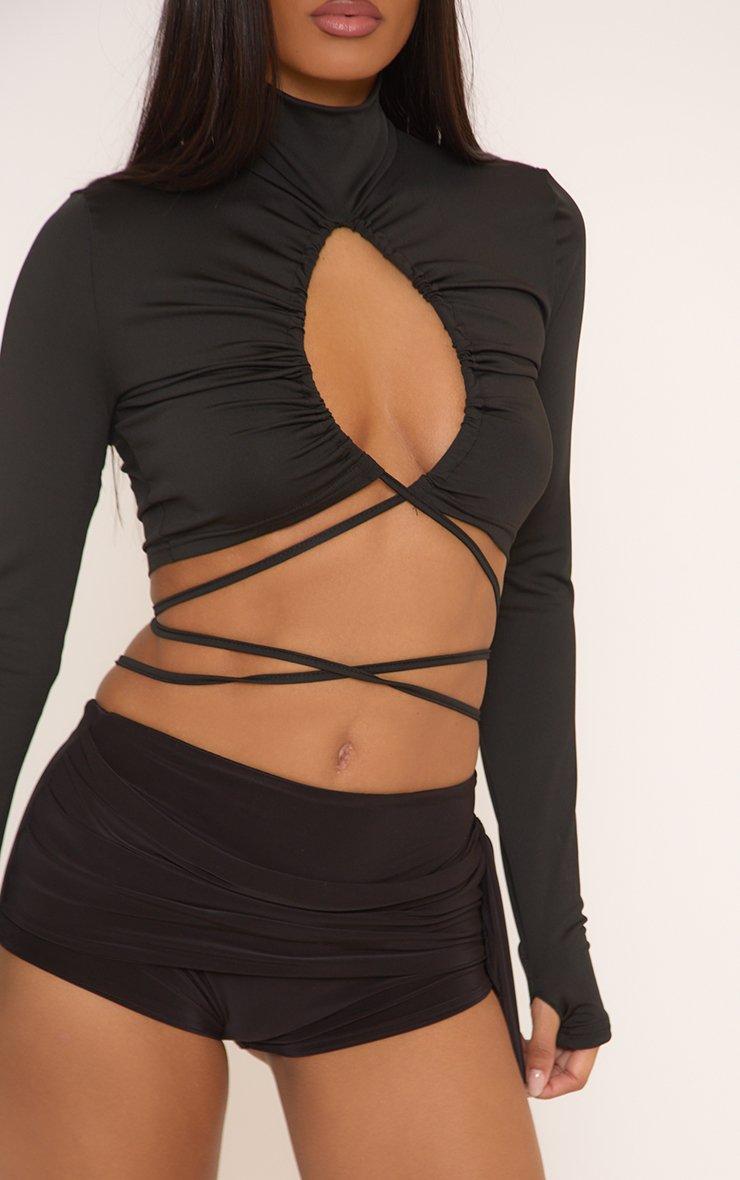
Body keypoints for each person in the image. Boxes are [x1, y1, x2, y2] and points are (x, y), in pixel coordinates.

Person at [0, 1, 611, 1176]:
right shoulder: (107, 242)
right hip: (131, 872)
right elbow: (15, 607)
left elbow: (532, 589)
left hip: (400, 906)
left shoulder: (527, 225)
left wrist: (556, 937)